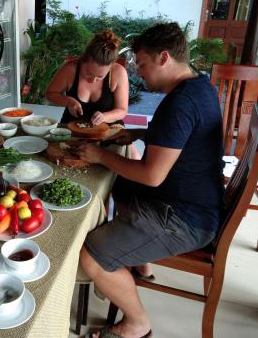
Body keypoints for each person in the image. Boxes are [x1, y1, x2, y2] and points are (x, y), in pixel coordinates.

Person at [77, 22, 225, 338]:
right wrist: (145, 133)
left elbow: (152, 176)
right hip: (193, 202)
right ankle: (141, 259)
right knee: (117, 183)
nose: (139, 73)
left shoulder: (180, 104)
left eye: (142, 64)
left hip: (185, 219)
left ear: (163, 58)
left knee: (91, 255)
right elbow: (185, 139)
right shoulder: (200, 86)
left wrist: (101, 156)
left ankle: (137, 324)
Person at [45, 30, 129, 126]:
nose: (93, 80)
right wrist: (68, 101)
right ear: (83, 59)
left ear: (111, 66)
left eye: (100, 77)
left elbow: (122, 110)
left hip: (108, 127)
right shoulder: (70, 69)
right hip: (72, 125)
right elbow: (50, 94)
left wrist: (104, 117)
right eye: (89, 73)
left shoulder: (118, 72)